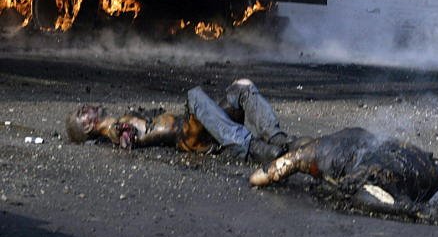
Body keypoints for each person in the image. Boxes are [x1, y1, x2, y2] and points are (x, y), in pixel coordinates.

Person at [249, 127, 438, 223]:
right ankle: (408, 203)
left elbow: (262, 176)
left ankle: (410, 209)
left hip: (390, 175)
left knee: (353, 192)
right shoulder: (348, 134)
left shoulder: (309, 152)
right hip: (428, 171)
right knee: (371, 175)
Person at [66, 79, 293, 162]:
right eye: (81, 112)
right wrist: (125, 133)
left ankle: (277, 138)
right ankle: (251, 146)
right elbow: (124, 135)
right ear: (87, 126)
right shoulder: (114, 130)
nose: (85, 108)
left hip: (197, 126)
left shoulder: (122, 118)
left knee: (242, 87)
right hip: (187, 135)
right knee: (195, 95)